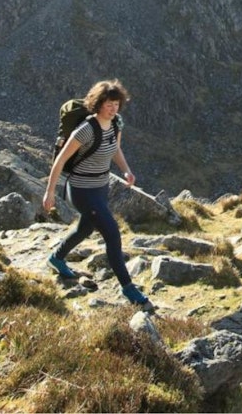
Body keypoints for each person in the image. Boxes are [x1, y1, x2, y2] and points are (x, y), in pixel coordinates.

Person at [42, 78, 152, 310]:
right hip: (81, 190)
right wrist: (50, 192)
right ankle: (128, 288)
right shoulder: (85, 130)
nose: (113, 109)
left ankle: (57, 258)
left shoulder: (115, 125)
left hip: (101, 187)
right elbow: (60, 161)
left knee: (86, 227)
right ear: (97, 104)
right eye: (109, 104)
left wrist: (126, 170)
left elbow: (116, 150)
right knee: (112, 233)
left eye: (116, 104)